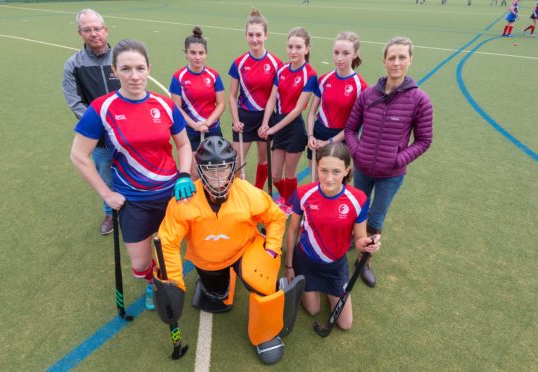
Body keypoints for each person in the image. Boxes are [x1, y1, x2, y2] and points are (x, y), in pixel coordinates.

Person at [156, 136, 305, 365]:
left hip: (244, 250)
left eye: (223, 169)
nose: (217, 177)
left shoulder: (247, 193)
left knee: (260, 281)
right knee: (216, 295)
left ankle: (265, 333)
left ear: (232, 168)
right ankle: (221, 284)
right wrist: (174, 282)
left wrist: (272, 249)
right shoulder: (183, 202)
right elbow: (167, 242)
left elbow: (275, 217)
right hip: (208, 260)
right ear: (200, 170)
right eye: (210, 170)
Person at [71, 39, 196, 311]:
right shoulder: (102, 109)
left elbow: (184, 144)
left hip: (172, 194)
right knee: (140, 263)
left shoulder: (164, 105)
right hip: (133, 200)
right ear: (115, 71)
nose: (134, 76)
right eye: (126, 69)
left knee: (174, 249)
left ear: (149, 68)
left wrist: (185, 175)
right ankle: (151, 281)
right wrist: (106, 194)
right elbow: (79, 156)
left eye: (140, 68)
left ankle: (165, 280)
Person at [344, 36, 433, 288]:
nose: (396, 62)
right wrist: (357, 152)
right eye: (391, 57)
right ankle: (350, 240)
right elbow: (350, 128)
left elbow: (424, 140)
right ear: (384, 61)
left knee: (376, 220)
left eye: (402, 57)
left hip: (391, 174)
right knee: (356, 211)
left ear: (410, 60)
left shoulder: (419, 100)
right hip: (362, 167)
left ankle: (364, 261)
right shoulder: (367, 94)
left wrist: (398, 159)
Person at [285, 143, 381, 330]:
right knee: (313, 310)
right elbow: (293, 230)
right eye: (324, 170)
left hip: (335, 266)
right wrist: (289, 266)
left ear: (346, 170)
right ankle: (306, 286)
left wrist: (368, 244)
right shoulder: (304, 194)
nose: (329, 178)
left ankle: (327, 289)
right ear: (317, 168)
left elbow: (360, 238)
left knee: (345, 324)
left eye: (336, 171)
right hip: (306, 261)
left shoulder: (358, 199)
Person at [62, 9, 120, 235]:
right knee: (105, 175)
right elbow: (75, 102)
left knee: (136, 171)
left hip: (127, 133)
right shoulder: (73, 65)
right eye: (87, 30)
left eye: (97, 28)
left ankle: (136, 209)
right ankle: (110, 212)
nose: (93, 33)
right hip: (100, 138)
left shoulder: (120, 58)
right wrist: (100, 126)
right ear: (80, 33)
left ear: (105, 30)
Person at [258, 27, 317, 214]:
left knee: (289, 173)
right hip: (277, 123)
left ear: (307, 49)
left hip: (294, 129)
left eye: (298, 47)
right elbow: (271, 99)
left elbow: (298, 109)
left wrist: (273, 129)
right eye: (290, 46)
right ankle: (290, 198)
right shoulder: (282, 68)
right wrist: (265, 122)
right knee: (275, 175)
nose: (293, 51)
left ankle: (290, 205)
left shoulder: (310, 74)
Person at [228, 9, 282, 189]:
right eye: (250, 35)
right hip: (244, 118)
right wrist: (236, 121)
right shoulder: (239, 63)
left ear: (265, 35)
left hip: (265, 118)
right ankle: (237, 193)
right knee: (234, 161)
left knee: (264, 159)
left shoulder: (276, 63)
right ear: (246, 36)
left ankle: (257, 192)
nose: (254, 39)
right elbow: (232, 96)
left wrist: (266, 122)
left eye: (258, 35)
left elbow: (274, 98)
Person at [306, 31, 368, 181]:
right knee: (316, 182)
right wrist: (310, 136)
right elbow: (311, 113)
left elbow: (353, 125)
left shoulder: (360, 86)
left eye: (346, 53)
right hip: (318, 135)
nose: (339, 58)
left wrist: (329, 142)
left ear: (355, 54)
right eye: (336, 53)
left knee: (336, 185)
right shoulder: (324, 79)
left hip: (342, 139)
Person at [170, 26, 226, 180]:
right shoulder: (178, 77)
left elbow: (221, 104)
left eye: (201, 53)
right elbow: (177, 108)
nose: (197, 57)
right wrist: (195, 125)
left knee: (216, 172)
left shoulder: (213, 75)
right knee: (194, 173)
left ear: (206, 54)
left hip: (212, 129)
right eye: (193, 53)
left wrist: (207, 123)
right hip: (189, 131)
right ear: (186, 54)